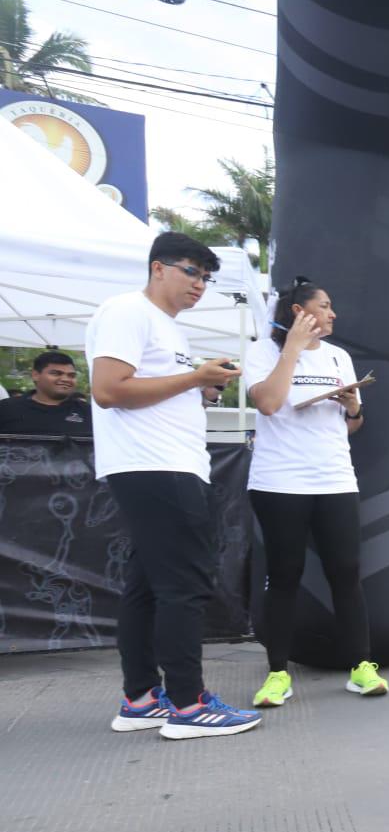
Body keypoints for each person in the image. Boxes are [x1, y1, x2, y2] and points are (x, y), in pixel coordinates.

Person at [86, 232, 257, 738]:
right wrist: (191, 379)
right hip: (157, 467)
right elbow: (108, 390)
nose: (200, 284)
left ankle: (140, 698)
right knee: (184, 587)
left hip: (162, 463)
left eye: (207, 277)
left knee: (146, 589)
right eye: (191, 272)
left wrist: (198, 388)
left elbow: (145, 390)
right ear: (158, 268)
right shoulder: (128, 311)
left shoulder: (165, 327)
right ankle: (189, 704)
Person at [243, 278, 386, 706]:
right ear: (298, 313)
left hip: (335, 479)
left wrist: (353, 405)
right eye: (324, 306)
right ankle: (277, 674)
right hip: (279, 481)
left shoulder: (339, 356)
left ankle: (360, 666)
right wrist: (291, 350)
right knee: (284, 576)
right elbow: (268, 403)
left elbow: (353, 425)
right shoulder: (261, 352)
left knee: (346, 573)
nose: (332, 314)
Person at [0, 350, 93, 435]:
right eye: (56, 373)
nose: (65, 379)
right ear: (35, 375)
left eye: (71, 375)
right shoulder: (6, 409)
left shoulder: (88, 412)